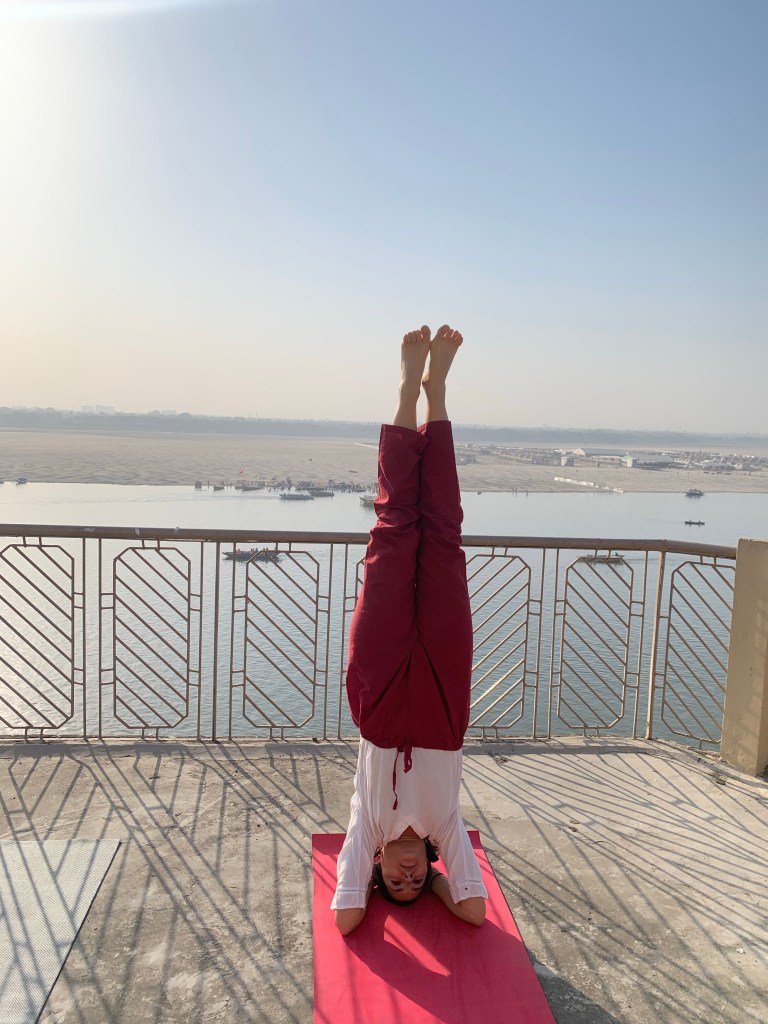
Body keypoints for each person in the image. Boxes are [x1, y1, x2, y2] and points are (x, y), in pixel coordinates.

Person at [332, 324, 488, 936]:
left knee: (395, 533)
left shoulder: (366, 828)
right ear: (429, 865)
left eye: (394, 884)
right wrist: (444, 883)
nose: (407, 879)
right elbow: (474, 912)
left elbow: (345, 920)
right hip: (443, 692)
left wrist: (368, 885)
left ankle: (405, 391)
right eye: (415, 882)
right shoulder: (443, 826)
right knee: (444, 537)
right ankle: (439, 392)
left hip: (383, 689)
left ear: (374, 869)